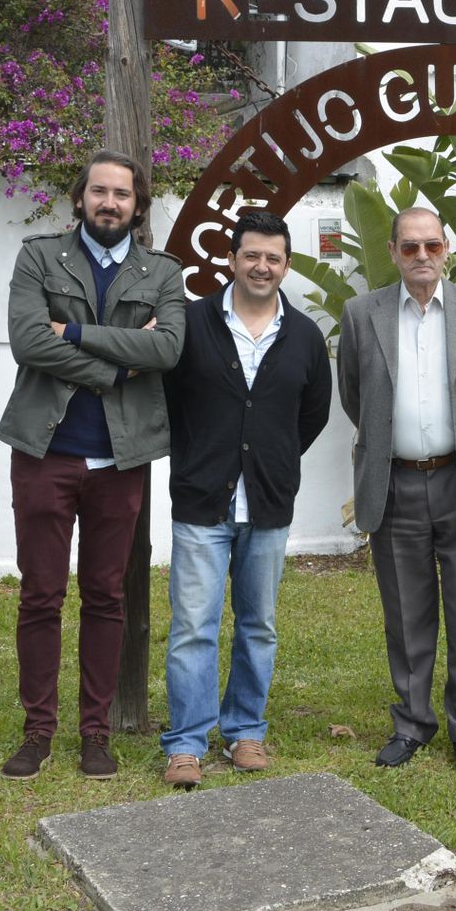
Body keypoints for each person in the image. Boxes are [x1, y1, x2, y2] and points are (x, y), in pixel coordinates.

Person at [0, 149, 186, 781]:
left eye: (122, 195)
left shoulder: (162, 271)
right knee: (40, 595)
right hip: (45, 452)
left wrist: (72, 336)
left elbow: (168, 346)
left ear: (138, 206)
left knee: (107, 596)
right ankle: (37, 732)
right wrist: (117, 370)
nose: (110, 203)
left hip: (119, 459)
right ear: (80, 198)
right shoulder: (39, 257)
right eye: (99, 192)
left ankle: (95, 734)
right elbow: (27, 340)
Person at [159, 211, 332, 788]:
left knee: (258, 625)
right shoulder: (190, 323)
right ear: (231, 260)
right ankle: (185, 744)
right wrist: (200, 455)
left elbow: (311, 416)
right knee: (193, 628)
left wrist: (271, 460)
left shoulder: (304, 336)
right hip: (201, 501)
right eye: (252, 255)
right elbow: (166, 401)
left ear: (285, 267)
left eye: (274, 258)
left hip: (267, 504)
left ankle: (245, 732)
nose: (262, 266)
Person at [337, 207, 456, 776]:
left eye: (431, 246)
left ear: (446, 250)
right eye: (409, 248)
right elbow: (354, 398)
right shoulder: (362, 314)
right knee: (406, 613)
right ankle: (411, 724)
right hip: (396, 482)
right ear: (392, 253)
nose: (422, 257)